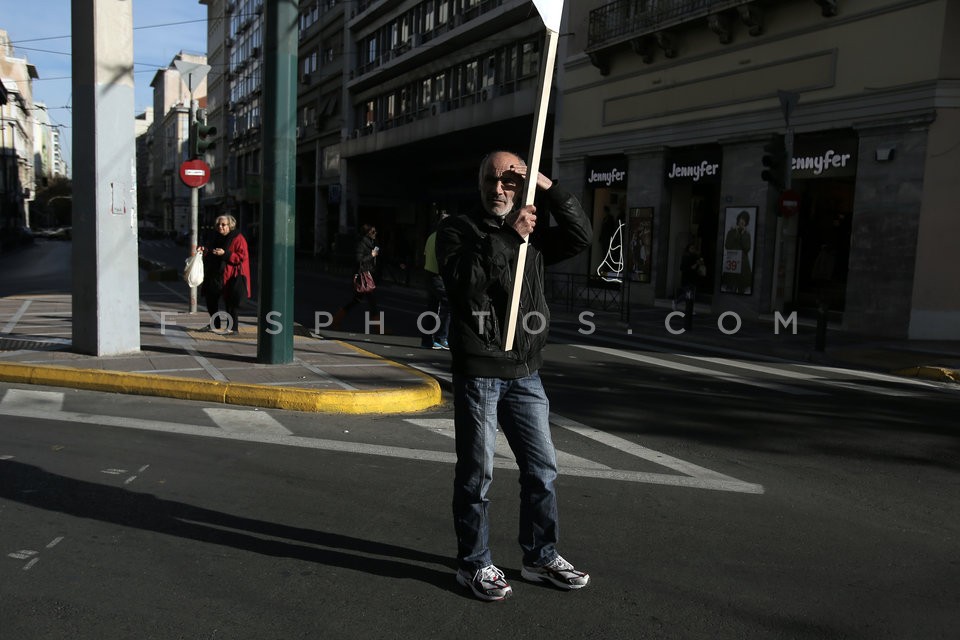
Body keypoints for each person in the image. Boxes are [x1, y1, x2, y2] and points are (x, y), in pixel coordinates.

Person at [436, 150, 593, 601]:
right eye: (492, 180)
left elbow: (581, 236)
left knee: (542, 469)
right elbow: (465, 284)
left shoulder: (533, 228)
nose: (500, 189)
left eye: (510, 181)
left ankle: (541, 557)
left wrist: (548, 185)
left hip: (526, 372)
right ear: (479, 182)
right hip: (481, 370)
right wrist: (508, 235)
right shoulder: (457, 229)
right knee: (477, 474)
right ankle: (474, 564)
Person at [197, 215, 251, 334]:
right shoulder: (214, 236)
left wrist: (225, 253)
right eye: (218, 225)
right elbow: (210, 251)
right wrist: (204, 250)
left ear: (230, 225)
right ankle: (214, 324)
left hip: (229, 275)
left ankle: (233, 328)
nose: (220, 227)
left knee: (230, 303)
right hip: (214, 274)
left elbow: (242, 256)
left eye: (223, 225)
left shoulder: (237, 238)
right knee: (211, 299)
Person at [331, 224, 380, 330]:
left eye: (375, 231)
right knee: (370, 301)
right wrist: (372, 255)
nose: (375, 233)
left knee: (357, 300)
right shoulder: (362, 244)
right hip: (363, 276)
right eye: (372, 232)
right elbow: (359, 259)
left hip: (368, 275)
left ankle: (336, 320)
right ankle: (378, 327)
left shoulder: (372, 243)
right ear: (367, 233)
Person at [420, 210, 450, 350]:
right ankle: (441, 337)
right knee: (450, 306)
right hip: (438, 276)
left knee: (432, 308)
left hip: (428, 274)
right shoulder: (444, 238)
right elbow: (444, 259)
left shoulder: (431, 236)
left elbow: (426, 254)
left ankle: (426, 340)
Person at [722, 209, 753, 294]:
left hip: (743, 266)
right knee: (730, 289)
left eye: (745, 220)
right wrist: (735, 233)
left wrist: (742, 235)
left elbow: (747, 248)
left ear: (746, 222)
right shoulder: (731, 231)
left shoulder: (747, 234)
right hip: (732, 263)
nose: (742, 221)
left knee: (742, 291)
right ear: (738, 219)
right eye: (741, 218)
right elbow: (727, 246)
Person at [674, 241, 705, 310]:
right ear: (688, 249)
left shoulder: (695, 256)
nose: (693, 250)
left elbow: (700, 264)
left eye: (694, 248)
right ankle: (677, 302)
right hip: (686, 279)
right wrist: (696, 264)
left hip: (693, 278)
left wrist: (700, 261)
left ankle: (690, 309)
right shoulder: (686, 257)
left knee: (692, 295)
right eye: (691, 248)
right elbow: (685, 268)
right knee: (688, 294)